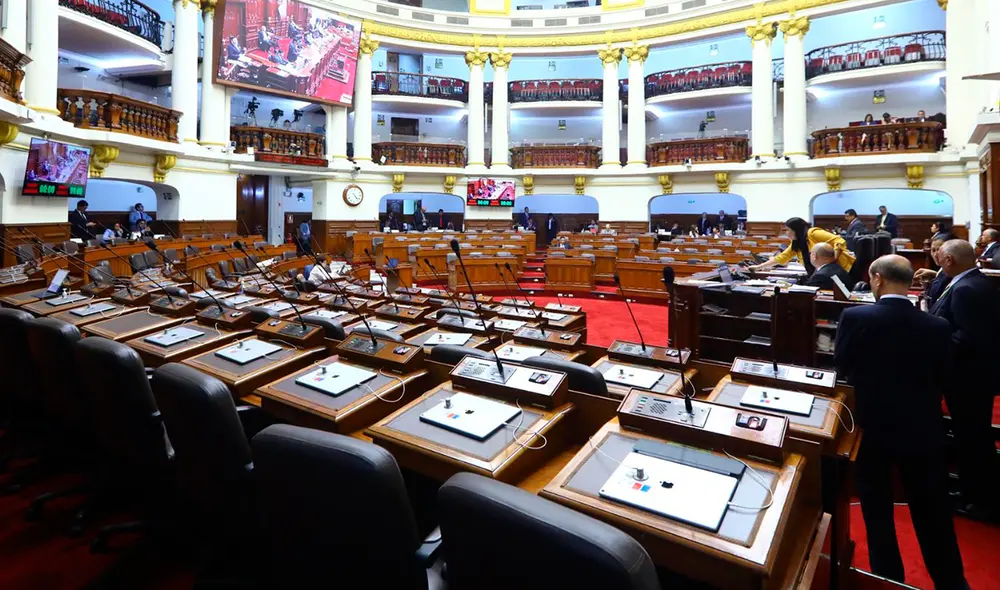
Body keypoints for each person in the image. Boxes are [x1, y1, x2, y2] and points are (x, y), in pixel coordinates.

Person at [833, 255, 967, 589]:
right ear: (911, 283)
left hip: (871, 427)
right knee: (933, 512)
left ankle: (886, 579)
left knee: (876, 510)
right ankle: (951, 582)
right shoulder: (937, 325)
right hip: (923, 428)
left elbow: (842, 366)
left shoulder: (855, 316)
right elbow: (944, 376)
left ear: (876, 279)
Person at [930, 240, 999, 519]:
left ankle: (979, 500)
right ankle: (975, 491)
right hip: (974, 376)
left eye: (940, 255)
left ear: (948, 259)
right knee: (972, 436)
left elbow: (967, 337)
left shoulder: (967, 289)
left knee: (972, 438)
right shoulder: (972, 280)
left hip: (969, 377)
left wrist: (932, 341)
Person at [749, 217, 854, 275]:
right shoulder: (797, 242)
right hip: (820, 273)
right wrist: (759, 267)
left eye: (788, 230)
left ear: (796, 229)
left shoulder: (812, 233)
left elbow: (839, 240)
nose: (787, 233)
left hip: (841, 270)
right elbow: (782, 258)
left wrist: (833, 259)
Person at [914, 234, 957, 307]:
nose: (936, 254)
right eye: (933, 250)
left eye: (939, 250)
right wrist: (934, 274)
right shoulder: (942, 269)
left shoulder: (953, 271)